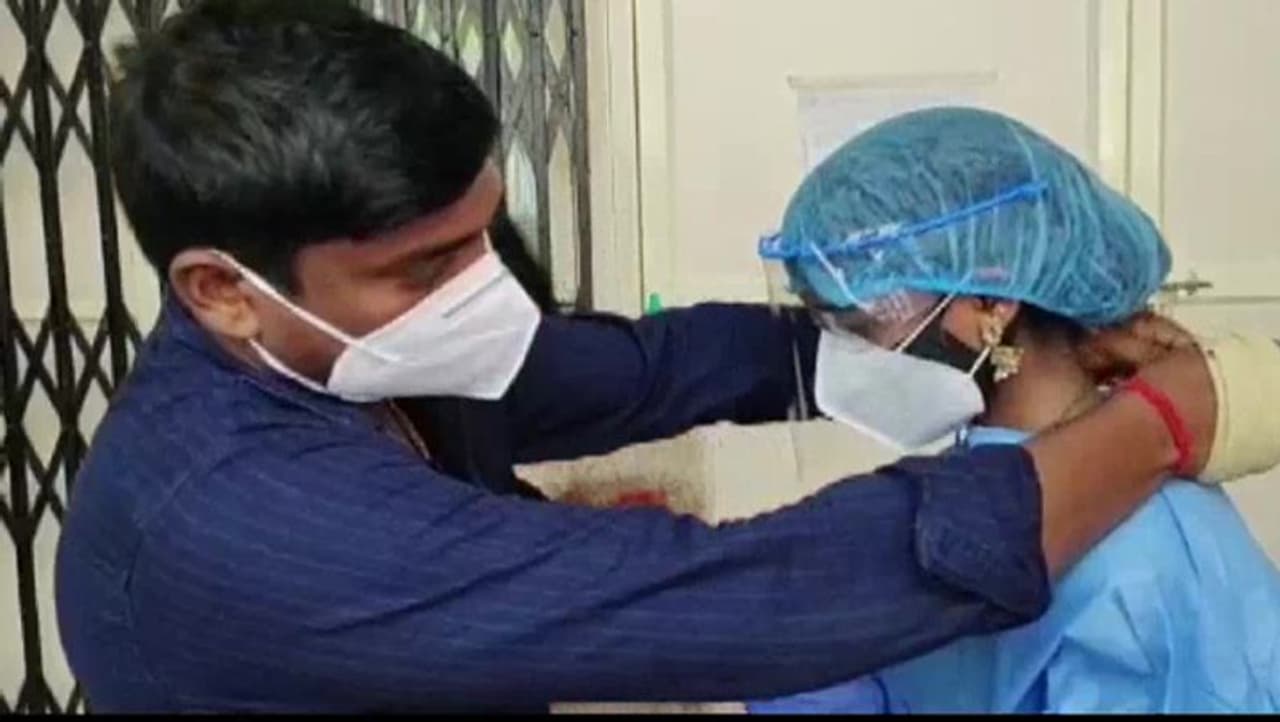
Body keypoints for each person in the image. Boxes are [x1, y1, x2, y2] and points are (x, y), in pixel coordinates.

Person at [52, 0, 1277, 713]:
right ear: (225, 292)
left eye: (487, 234)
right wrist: (1165, 419)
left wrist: (886, 348)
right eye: (426, 267)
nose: (486, 292)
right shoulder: (243, 519)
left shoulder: (366, 347)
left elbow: (648, 368)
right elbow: (737, 597)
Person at [748, 107, 1280, 714]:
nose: (847, 355)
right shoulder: (971, 488)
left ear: (990, 302)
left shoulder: (1143, 560)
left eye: (866, 321)